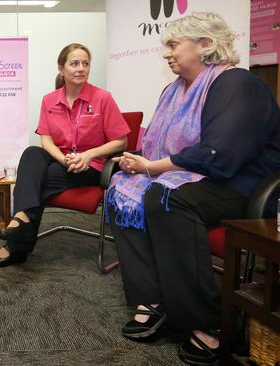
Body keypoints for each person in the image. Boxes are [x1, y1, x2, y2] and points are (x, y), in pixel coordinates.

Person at [106, 12, 280, 366]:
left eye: (173, 45)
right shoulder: (174, 89)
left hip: (243, 184)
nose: (166, 54)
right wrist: (137, 163)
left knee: (167, 198)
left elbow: (219, 155)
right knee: (123, 188)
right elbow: (163, 147)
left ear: (204, 45)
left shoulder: (237, 84)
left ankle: (208, 321)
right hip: (199, 176)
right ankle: (152, 299)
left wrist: (152, 168)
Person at [0, 43, 130, 267]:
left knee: (37, 180)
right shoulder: (49, 100)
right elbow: (46, 140)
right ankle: (21, 226)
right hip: (60, 160)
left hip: (91, 166)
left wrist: (88, 155)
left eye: (85, 63)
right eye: (74, 63)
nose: (81, 68)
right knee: (32, 152)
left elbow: (121, 141)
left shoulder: (103, 98)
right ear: (61, 69)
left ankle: (18, 237)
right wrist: (63, 159)